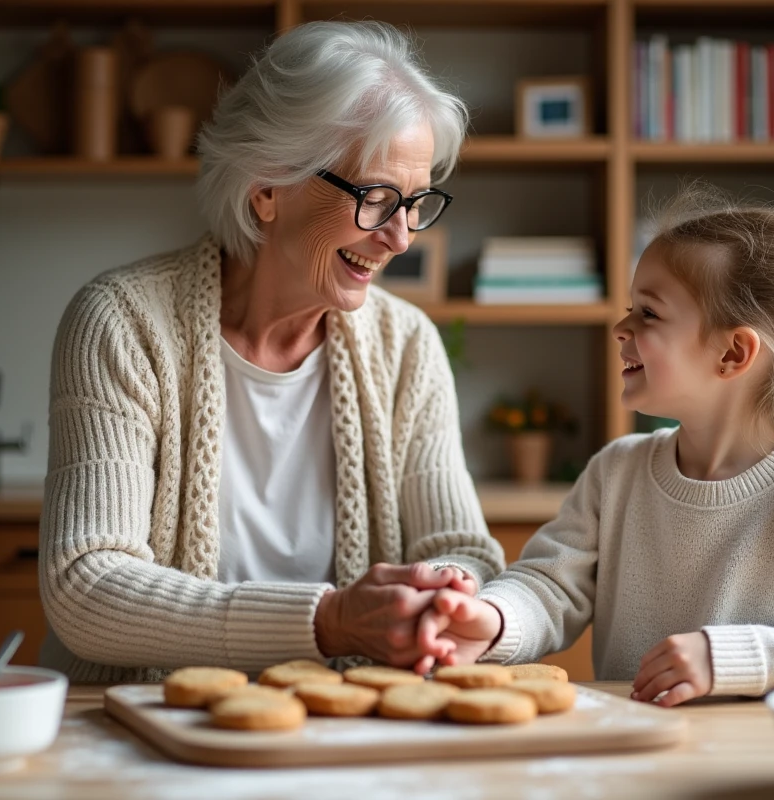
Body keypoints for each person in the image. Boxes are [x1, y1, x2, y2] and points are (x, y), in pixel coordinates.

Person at [38, 20, 504, 683]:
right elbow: (85, 587)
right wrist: (329, 621)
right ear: (266, 189)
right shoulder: (121, 323)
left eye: (416, 203)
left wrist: (446, 595)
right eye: (376, 199)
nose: (402, 239)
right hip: (143, 729)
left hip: (341, 730)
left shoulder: (407, 345)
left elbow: (460, 549)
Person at [415, 185, 774, 705]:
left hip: (757, 766)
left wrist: (731, 658)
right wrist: (493, 619)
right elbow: (550, 587)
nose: (621, 327)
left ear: (733, 353)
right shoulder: (616, 472)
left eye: (649, 314)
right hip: (636, 755)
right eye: (629, 308)